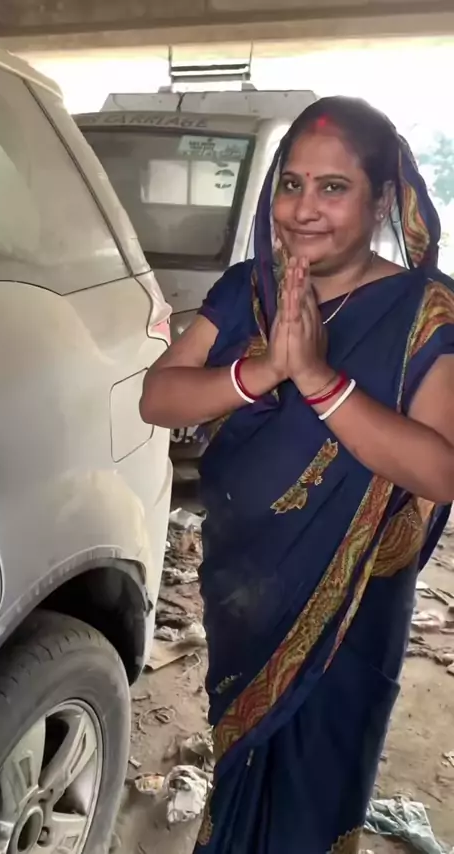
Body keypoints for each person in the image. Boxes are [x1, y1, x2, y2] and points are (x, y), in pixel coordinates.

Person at [140, 96, 454, 854]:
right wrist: (264, 370)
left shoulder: (424, 312)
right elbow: (159, 397)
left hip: (349, 609)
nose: (303, 209)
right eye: (291, 184)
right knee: (242, 757)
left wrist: (317, 379)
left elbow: (441, 470)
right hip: (245, 588)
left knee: (316, 786)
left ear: (382, 199)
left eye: (333, 188)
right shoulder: (248, 288)